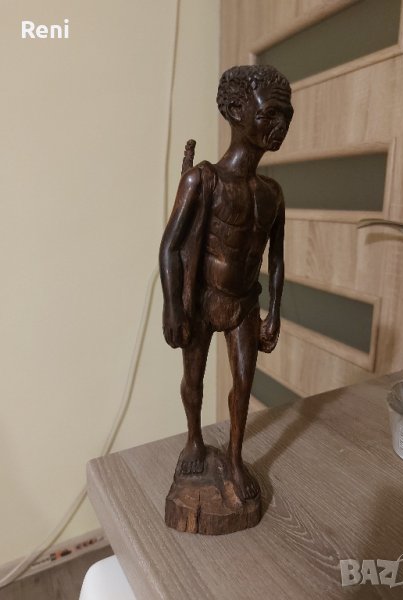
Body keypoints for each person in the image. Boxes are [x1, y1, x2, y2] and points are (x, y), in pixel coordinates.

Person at [159, 65, 293, 501]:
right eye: (270, 114)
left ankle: (235, 458)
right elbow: (170, 247)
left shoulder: (272, 193)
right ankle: (194, 439)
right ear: (237, 110)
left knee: (244, 382)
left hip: (245, 303)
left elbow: (277, 258)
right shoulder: (202, 179)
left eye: (286, 117)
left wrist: (274, 312)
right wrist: (173, 307)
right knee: (193, 380)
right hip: (202, 300)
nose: (280, 126)